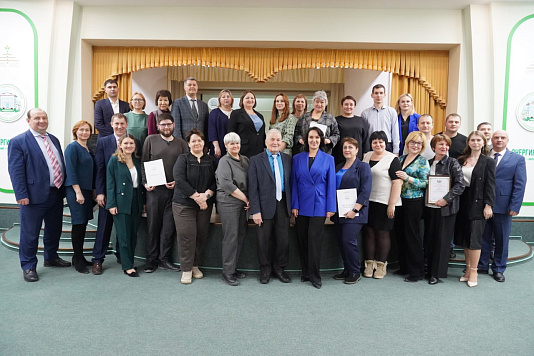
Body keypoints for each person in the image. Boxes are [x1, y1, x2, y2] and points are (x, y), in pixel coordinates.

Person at [8, 108, 71, 282]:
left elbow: (58, 164)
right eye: (37, 118)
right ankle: (28, 266)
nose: (42, 121)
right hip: (32, 196)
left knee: (54, 229)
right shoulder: (18, 142)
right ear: (28, 121)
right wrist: (21, 194)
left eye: (44, 117)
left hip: (55, 193)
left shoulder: (54, 140)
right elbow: (16, 171)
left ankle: (51, 257)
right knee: (30, 233)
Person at [141, 113, 188, 273]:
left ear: (174, 125)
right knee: (153, 226)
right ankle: (151, 259)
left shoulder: (181, 143)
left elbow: (185, 166)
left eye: (169, 124)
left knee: (168, 228)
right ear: (158, 126)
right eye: (163, 125)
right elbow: (143, 163)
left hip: (174, 192)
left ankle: (164, 259)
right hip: (154, 192)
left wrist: (177, 182)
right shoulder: (150, 140)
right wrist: (145, 182)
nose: (166, 127)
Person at [478, 130, 527, 282]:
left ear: (507, 140)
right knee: (483, 237)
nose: (499, 140)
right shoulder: (483, 156)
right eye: (496, 137)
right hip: (482, 204)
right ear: (491, 140)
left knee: (501, 239)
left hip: (504, 206)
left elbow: (520, 184)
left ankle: (498, 269)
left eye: (502, 137)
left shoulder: (517, 159)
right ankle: (482, 265)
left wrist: (515, 206)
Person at [291, 127, 336, 289]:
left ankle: (315, 275)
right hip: (301, 204)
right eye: (311, 137)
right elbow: (294, 183)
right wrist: (294, 204)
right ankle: (306, 272)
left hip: (320, 204)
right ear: (306, 139)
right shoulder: (297, 158)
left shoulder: (328, 158)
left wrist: (331, 207)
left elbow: (331, 184)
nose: (314, 140)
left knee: (314, 241)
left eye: (317, 137)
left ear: (321, 140)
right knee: (302, 239)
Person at [172, 128, 217, 284]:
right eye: (193, 141)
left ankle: (195, 265)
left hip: (205, 204)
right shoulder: (183, 159)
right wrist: (197, 197)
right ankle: (186, 269)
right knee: (187, 236)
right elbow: (179, 180)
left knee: (201, 235)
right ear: (188, 144)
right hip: (183, 204)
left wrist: (207, 195)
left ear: (203, 142)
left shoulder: (211, 160)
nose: (197, 143)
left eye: (199, 140)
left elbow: (215, 181)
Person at [249, 129, 292, 284]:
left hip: (283, 204)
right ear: (266, 141)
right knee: (264, 240)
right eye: (272, 139)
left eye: (278, 140)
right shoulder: (255, 160)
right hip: (263, 205)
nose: (275, 143)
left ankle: (279, 268)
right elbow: (252, 187)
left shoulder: (288, 159)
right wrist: (256, 211)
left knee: (283, 240)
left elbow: (291, 183)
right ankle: (265, 269)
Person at [93, 113, 133, 275]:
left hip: (126, 194)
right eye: (116, 123)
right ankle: (97, 259)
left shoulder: (131, 141)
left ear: (126, 124)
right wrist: (100, 192)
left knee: (123, 227)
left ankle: (121, 256)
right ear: (111, 124)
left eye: (122, 123)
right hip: (109, 193)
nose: (119, 126)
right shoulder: (103, 142)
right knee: (104, 227)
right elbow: (99, 169)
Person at [455, 131, 496, 287]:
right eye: (472, 140)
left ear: (484, 142)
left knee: (474, 239)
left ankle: (474, 271)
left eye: (479, 140)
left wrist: (488, 205)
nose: (475, 142)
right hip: (462, 201)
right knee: (465, 238)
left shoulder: (488, 162)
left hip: (478, 203)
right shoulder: (461, 160)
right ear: (468, 142)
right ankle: (467, 270)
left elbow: (491, 185)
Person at [331, 137, 372, 284]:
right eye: (345, 147)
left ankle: (355, 271)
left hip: (355, 212)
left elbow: (365, 190)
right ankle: (347, 269)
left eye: (350, 147)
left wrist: (355, 209)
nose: (347, 150)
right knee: (341, 242)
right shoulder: (338, 166)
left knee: (348, 240)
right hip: (338, 211)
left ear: (357, 150)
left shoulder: (363, 167)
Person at [362, 131, 402, 279]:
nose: (378, 144)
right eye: (375, 142)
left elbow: (397, 182)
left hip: (385, 202)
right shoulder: (366, 156)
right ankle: (369, 264)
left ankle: (381, 265)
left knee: (382, 233)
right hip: (368, 201)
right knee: (369, 232)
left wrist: (392, 204)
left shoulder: (392, 159)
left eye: (381, 142)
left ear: (386, 143)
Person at [424, 134, 464, 285]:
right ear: (433, 147)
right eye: (440, 144)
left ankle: (436, 273)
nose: (444, 147)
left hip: (445, 209)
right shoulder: (427, 163)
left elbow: (459, 185)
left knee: (441, 241)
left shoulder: (452, 163)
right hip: (429, 207)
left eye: (446, 145)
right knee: (429, 239)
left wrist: (445, 199)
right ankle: (428, 269)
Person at [393, 131, 430, 282]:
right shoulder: (400, 159)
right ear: (407, 144)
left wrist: (408, 178)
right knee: (400, 234)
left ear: (422, 146)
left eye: (419, 143)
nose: (415, 145)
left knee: (412, 236)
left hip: (414, 201)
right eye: (413, 142)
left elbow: (425, 183)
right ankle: (404, 267)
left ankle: (417, 271)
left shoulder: (423, 161)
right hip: (400, 201)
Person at [106, 134, 145, 277]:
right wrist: (111, 204)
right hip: (121, 201)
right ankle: (127, 266)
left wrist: (144, 203)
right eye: (126, 143)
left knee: (133, 234)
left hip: (136, 200)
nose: (129, 146)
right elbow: (110, 184)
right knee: (123, 235)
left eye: (131, 144)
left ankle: (130, 261)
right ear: (120, 145)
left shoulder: (137, 160)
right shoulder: (114, 161)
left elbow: (141, 184)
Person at [215, 133, 250, 286]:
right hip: (228, 202)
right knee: (231, 236)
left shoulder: (245, 160)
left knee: (240, 235)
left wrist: (248, 200)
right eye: (231, 144)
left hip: (243, 203)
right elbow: (227, 185)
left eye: (237, 143)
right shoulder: (224, 161)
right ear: (226, 146)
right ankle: (227, 272)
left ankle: (233, 268)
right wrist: (245, 199)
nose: (235, 146)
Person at [64, 120, 95, 274]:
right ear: (75, 132)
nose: (84, 132)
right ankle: (77, 259)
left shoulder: (88, 148)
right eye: (81, 130)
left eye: (87, 130)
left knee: (83, 224)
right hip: (76, 190)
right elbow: (70, 170)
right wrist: (77, 191)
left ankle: (79, 257)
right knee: (78, 224)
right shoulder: (72, 147)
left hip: (87, 190)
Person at [436, 113, 467, 259]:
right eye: (451, 121)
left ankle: (450, 246)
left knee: (452, 218)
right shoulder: (437, 137)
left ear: (459, 124)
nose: (453, 124)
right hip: (436, 185)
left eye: (456, 122)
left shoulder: (464, 140)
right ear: (445, 123)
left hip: (455, 184)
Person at [294, 90, 339, 155]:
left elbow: (336, 134)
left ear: (325, 103)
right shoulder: (304, 117)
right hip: (305, 152)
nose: (319, 104)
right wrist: (300, 139)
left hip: (324, 152)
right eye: (317, 102)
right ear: (313, 102)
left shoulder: (330, 118)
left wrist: (330, 140)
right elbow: (297, 132)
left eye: (322, 102)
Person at [361, 84, 400, 154]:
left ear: (384, 95)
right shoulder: (365, 113)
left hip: (387, 145)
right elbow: (364, 134)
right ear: (372, 95)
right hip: (371, 145)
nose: (378, 95)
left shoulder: (392, 111)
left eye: (381, 93)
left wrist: (396, 151)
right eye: (376, 93)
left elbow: (395, 133)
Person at [228, 90, 266, 158]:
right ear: (242, 100)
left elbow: (262, 133)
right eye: (247, 98)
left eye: (252, 98)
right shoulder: (236, 113)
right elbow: (231, 132)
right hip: (244, 149)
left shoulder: (260, 116)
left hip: (259, 148)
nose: (250, 100)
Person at [333, 95, 369, 164]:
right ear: (342, 106)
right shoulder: (336, 120)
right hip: (340, 157)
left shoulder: (361, 121)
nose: (348, 107)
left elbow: (365, 139)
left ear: (354, 106)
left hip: (357, 157)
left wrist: (366, 155)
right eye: (346, 104)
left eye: (351, 105)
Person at [208, 89, 234, 160]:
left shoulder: (235, 114)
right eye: (223, 97)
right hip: (218, 146)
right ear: (219, 100)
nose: (226, 98)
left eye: (228, 96)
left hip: (232, 147)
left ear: (231, 99)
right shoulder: (214, 113)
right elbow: (212, 131)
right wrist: (216, 146)